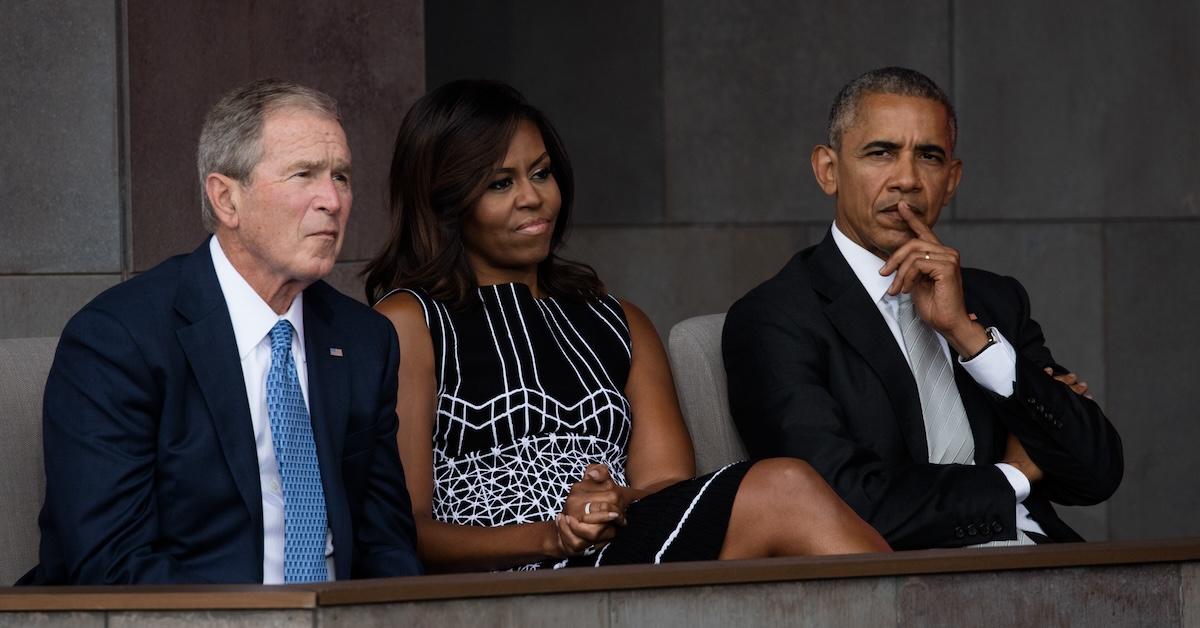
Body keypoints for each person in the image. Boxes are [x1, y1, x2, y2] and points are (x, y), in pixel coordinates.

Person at [364, 80, 889, 572]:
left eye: (541, 173)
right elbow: (406, 528)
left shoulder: (618, 320)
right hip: (507, 576)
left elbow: (668, 484)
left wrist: (614, 502)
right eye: (501, 183)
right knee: (784, 487)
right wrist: (552, 535)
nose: (534, 197)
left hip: (623, 549)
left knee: (785, 492)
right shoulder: (410, 322)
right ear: (447, 203)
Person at [20, 79, 422, 585]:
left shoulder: (365, 340)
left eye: (340, 176)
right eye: (303, 174)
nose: (333, 200)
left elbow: (385, 543)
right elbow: (112, 563)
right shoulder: (118, 339)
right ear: (226, 199)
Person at [722, 67, 1123, 550]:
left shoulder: (994, 301)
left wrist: (969, 338)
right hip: (908, 591)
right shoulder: (775, 318)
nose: (907, 180)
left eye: (928, 157)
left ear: (951, 180)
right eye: (881, 153)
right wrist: (1013, 476)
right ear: (828, 170)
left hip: (1047, 568)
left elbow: (1095, 475)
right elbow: (843, 508)